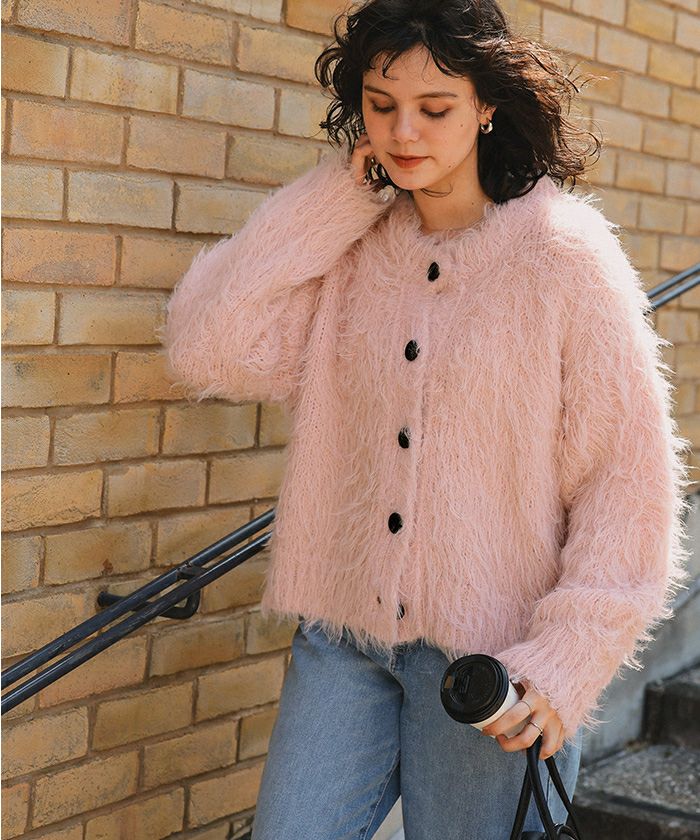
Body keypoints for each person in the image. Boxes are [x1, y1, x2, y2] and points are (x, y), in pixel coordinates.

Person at [160, 1, 692, 837]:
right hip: (342, 638)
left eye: (435, 108)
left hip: (492, 663)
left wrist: (567, 658)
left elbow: (626, 484)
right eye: (381, 105)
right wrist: (337, 197)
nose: (404, 132)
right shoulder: (350, 247)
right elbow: (208, 350)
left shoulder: (564, 256)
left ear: (486, 107)